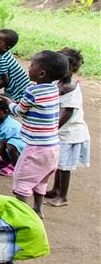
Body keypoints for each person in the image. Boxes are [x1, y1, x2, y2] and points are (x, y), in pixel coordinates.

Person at [6, 50, 68, 215]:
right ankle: (37, 210)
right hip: (53, 148)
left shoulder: (32, 91)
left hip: (36, 148)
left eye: (32, 64)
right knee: (41, 181)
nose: (29, 67)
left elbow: (19, 111)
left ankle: (22, 215)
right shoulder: (54, 89)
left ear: (41, 73)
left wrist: (8, 103)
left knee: (22, 181)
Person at [45, 48, 89, 208]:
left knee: (64, 167)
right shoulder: (59, 83)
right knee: (58, 164)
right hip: (61, 132)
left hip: (70, 134)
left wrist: (51, 128)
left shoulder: (70, 87)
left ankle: (63, 196)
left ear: (71, 69)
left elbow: (67, 113)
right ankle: (56, 189)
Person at [0, 29, 30, 101]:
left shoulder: (2, 59)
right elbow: (0, 74)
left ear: (6, 47)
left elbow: (5, 81)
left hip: (19, 91)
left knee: (12, 108)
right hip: (20, 87)